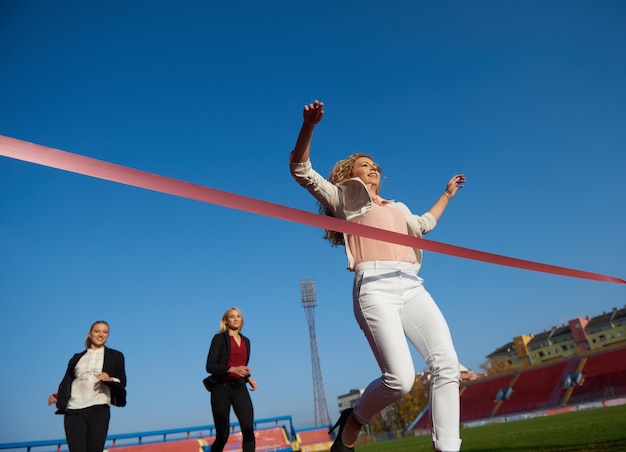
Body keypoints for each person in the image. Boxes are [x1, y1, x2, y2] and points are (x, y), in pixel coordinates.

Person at [289, 100, 466, 452]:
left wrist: (446, 195)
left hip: (413, 285)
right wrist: (308, 126)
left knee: (448, 364)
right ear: (349, 174)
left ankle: (446, 448)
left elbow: (424, 225)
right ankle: (354, 421)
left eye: (375, 166)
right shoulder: (344, 199)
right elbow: (301, 169)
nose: (373, 169)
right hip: (374, 287)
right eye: (364, 165)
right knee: (400, 381)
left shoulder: (398, 208)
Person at [48, 320, 127, 452]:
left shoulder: (116, 356)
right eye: (97, 331)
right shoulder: (76, 357)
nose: (101, 335)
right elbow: (68, 380)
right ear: (90, 334)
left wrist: (110, 378)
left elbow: (122, 382)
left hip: (99, 408)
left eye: (105, 332)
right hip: (73, 410)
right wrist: (60, 395)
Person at [205, 307, 258, 452]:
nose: (236, 319)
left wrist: (249, 378)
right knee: (223, 435)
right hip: (221, 389)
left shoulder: (246, 341)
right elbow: (210, 366)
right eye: (232, 317)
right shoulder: (219, 339)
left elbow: (242, 365)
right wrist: (231, 369)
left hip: (239, 387)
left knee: (248, 429)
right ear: (226, 321)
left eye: (238, 316)